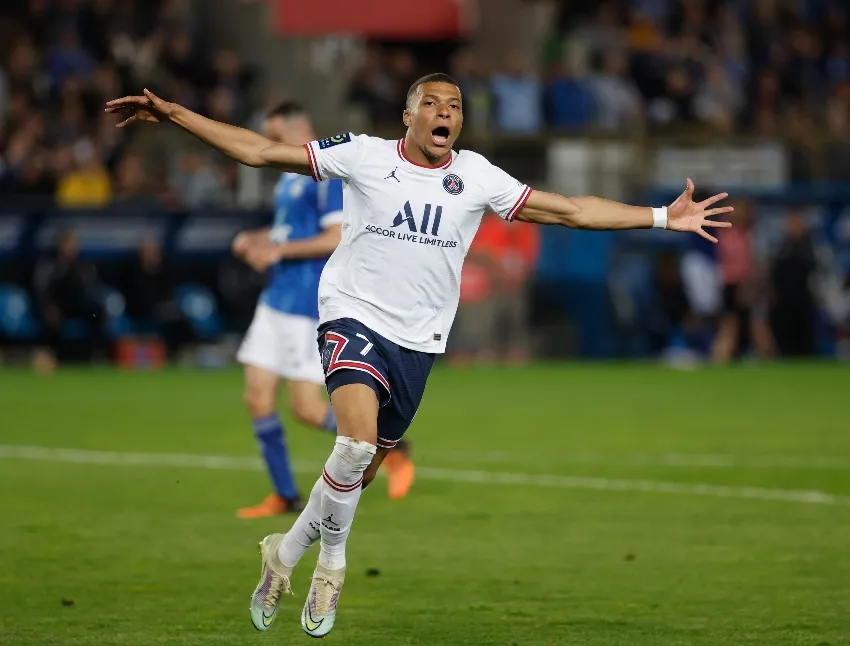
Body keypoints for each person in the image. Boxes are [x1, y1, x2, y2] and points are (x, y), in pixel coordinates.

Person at [106, 75, 734, 638]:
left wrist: (661, 216)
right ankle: (330, 569)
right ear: (408, 116)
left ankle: (284, 552)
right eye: (431, 103)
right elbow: (260, 152)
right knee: (354, 445)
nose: (445, 112)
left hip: (419, 340)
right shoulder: (365, 155)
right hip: (351, 313)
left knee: (355, 475)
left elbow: (570, 211)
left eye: (454, 106)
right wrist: (176, 114)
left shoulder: (477, 176)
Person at [229, 101, 416, 519]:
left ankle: (390, 445)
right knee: (257, 397)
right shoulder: (287, 178)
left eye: (275, 133)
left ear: (297, 126)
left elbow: (334, 236)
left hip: (306, 303)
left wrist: (276, 251)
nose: (270, 143)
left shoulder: (325, 174)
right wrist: (257, 239)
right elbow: (288, 231)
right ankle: (285, 495)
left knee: (306, 408)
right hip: (275, 299)